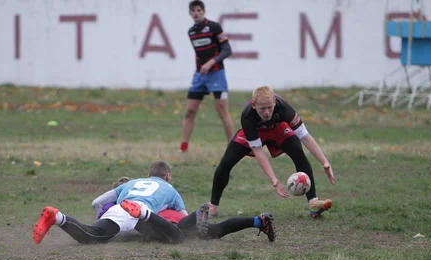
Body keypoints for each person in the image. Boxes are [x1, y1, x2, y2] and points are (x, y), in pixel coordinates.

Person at [208, 86, 336, 218]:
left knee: (298, 152)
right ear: (253, 105)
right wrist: (273, 179)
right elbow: (258, 150)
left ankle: (313, 203)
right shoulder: (247, 116)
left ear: (275, 101)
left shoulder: (284, 108)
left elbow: (305, 137)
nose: (267, 112)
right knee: (226, 163)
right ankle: (213, 206)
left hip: (278, 128)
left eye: (270, 107)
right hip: (255, 131)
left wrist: (325, 162)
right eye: (262, 109)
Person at [32, 161, 187, 245]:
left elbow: (96, 202)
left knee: (92, 233)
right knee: (175, 237)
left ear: (148, 175)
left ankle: (58, 218)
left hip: (121, 208)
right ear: (168, 176)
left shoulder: (132, 183)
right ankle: (143, 213)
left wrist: (102, 221)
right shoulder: (171, 190)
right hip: (140, 215)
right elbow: (185, 219)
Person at [180, 0, 234, 152]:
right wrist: (202, 67)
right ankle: (183, 147)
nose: (196, 13)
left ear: (203, 12)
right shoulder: (191, 32)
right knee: (189, 111)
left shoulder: (214, 27)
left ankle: (232, 147)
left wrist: (210, 63)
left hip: (217, 74)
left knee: (222, 111)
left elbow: (227, 50)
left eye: (198, 10)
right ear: (190, 14)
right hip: (200, 76)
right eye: (193, 11)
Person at [120, 201, 277, 243]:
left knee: (178, 231)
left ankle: (197, 214)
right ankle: (258, 221)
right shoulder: (158, 197)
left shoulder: (134, 211)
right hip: (186, 223)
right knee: (217, 230)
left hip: (173, 226)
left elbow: (127, 233)